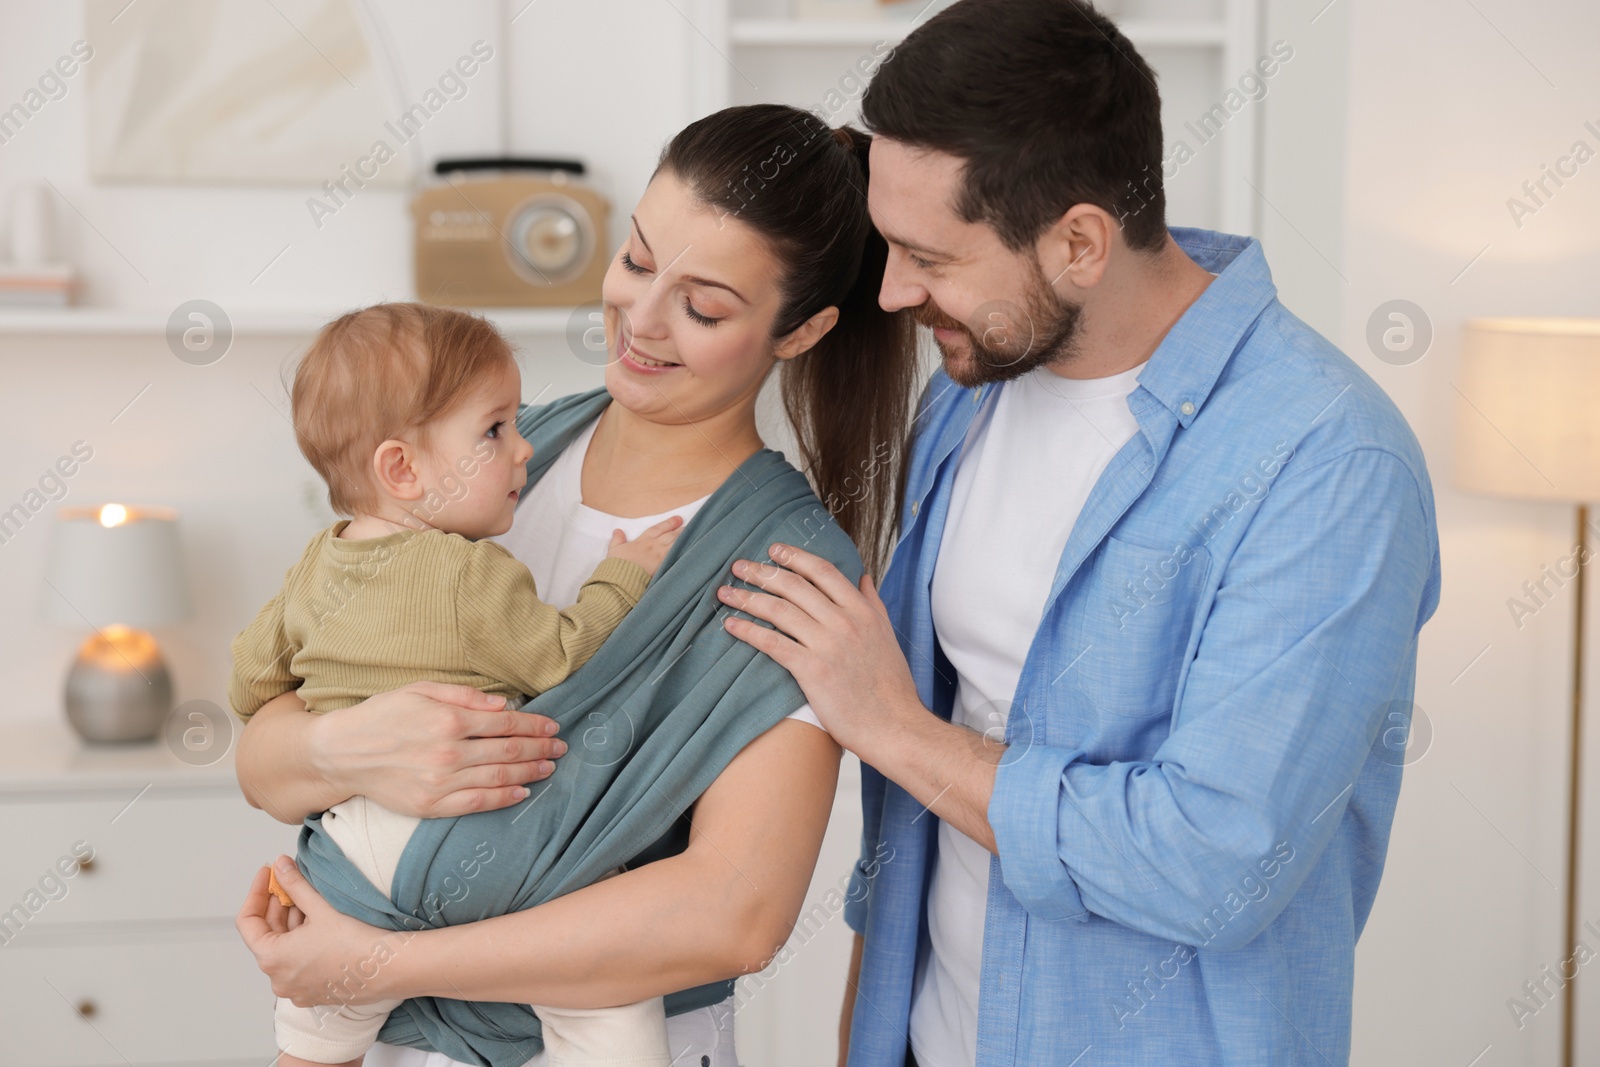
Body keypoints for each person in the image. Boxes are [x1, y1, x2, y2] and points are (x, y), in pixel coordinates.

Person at [716, 2, 1443, 1065]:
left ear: (1080, 242)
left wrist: (893, 727)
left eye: (930, 255)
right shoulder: (972, 392)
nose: (894, 291)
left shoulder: (1328, 463)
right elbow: (914, 818)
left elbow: (1215, 860)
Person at [233, 102, 919, 1067]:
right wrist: (348, 746)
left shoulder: (791, 570)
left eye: (705, 306)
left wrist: (385, 962)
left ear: (800, 331)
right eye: (638, 261)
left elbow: (735, 915)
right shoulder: (493, 449)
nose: (639, 319)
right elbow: (263, 758)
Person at [229, 302, 688, 1067]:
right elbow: (562, 653)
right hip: (485, 837)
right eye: (495, 430)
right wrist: (625, 572)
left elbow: (251, 675)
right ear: (402, 469)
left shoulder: (315, 564)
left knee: (316, 1023)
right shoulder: (467, 571)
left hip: (350, 863)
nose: (524, 449)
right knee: (605, 988)